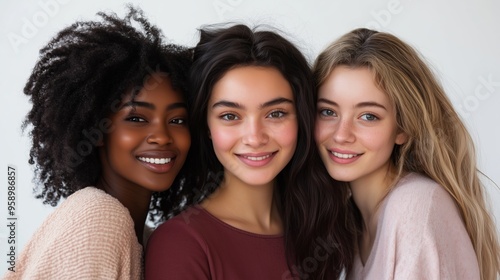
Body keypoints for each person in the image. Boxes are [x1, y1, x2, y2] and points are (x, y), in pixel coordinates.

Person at [145, 24, 355, 279]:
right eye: (230, 116)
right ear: (207, 126)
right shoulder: (181, 244)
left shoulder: (323, 229)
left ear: (301, 119)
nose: (255, 138)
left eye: (276, 114)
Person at [3, 7, 192, 280]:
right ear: (98, 128)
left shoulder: (146, 237)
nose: (162, 136)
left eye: (177, 120)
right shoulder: (99, 219)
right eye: (137, 118)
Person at [313, 27, 500, 280]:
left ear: (402, 128)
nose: (341, 134)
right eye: (328, 112)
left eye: (368, 116)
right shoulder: (354, 221)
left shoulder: (415, 207)